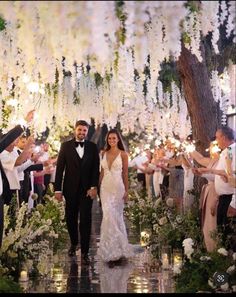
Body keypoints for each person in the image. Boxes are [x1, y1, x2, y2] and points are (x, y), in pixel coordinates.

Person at [54, 120, 100, 264]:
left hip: (86, 191)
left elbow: (95, 168)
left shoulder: (93, 147)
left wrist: (93, 187)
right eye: (80, 130)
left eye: (84, 130)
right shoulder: (65, 146)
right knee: (70, 218)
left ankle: (85, 252)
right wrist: (57, 189)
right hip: (70, 189)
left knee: (86, 220)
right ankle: (74, 242)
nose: (82, 133)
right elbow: (60, 169)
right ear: (75, 130)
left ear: (87, 132)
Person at [97, 129, 135, 267]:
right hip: (105, 189)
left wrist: (127, 190)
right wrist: (97, 187)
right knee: (108, 216)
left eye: (114, 138)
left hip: (118, 188)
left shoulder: (123, 154)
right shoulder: (103, 153)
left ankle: (118, 249)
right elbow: (102, 172)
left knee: (116, 217)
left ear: (118, 139)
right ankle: (109, 250)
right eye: (109, 139)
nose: (111, 141)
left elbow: (125, 173)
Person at [0, 110, 35, 247]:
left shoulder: (9, 152)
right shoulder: (2, 153)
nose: (14, 143)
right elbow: (18, 164)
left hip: (4, 192)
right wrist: (24, 122)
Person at [190, 141, 220, 252]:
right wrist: (200, 173)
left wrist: (204, 173)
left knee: (212, 221)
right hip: (208, 190)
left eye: (212, 146)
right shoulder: (212, 161)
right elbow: (200, 159)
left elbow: (218, 177)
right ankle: (208, 247)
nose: (210, 148)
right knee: (206, 220)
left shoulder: (222, 161)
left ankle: (214, 249)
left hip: (215, 191)